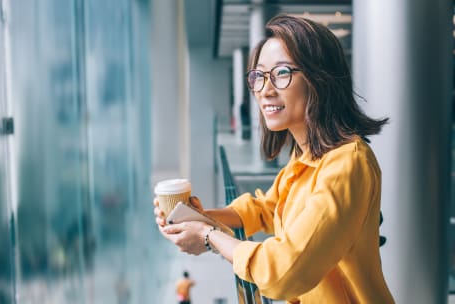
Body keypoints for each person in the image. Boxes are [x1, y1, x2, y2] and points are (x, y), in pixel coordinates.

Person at [154, 14, 395, 304]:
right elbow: (268, 209)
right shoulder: (306, 154)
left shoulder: (348, 164)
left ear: (320, 79)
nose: (265, 90)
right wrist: (199, 218)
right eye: (258, 76)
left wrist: (208, 236)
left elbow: (284, 271)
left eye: (281, 73)